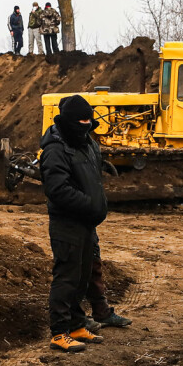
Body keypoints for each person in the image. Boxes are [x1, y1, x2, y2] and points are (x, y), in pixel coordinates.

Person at [40, 94, 108, 352]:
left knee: (82, 276)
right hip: (67, 224)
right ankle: (59, 332)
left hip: (86, 223)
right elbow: (57, 189)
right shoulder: (55, 149)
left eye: (89, 120)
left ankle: (78, 325)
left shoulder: (85, 142)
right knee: (66, 277)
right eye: (81, 121)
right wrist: (89, 204)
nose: (87, 124)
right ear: (69, 121)